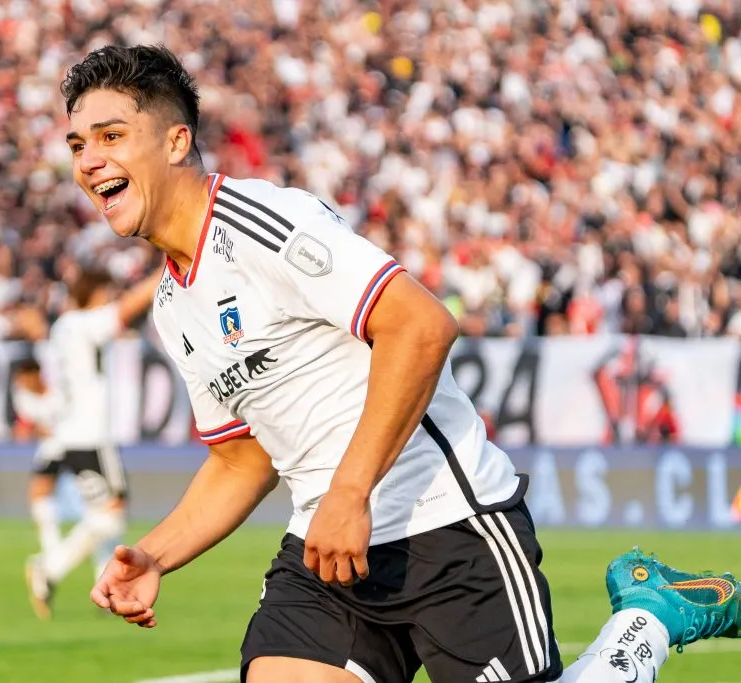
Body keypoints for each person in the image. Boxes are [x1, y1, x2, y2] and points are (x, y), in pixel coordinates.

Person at [59, 44, 740, 682]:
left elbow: (420, 326)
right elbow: (244, 458)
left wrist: (349, 492)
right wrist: (154, 554)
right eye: (78, 144)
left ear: (177, 141)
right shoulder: (173, 303)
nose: (90, 160)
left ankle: (647, 623)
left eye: (111, 135)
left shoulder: (262, 223)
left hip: (449, 529)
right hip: (326, 553)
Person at [21, 265, 162, 620]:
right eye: (106, 293)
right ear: (95, 295)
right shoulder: (83, 324)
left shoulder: (63, 328)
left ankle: (105, 586)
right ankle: (49, 568)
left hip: (73, 435)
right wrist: (169, 267)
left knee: (101, 514)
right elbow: (127, 308)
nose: (109, 299)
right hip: (90, 436)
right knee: (112, 517)